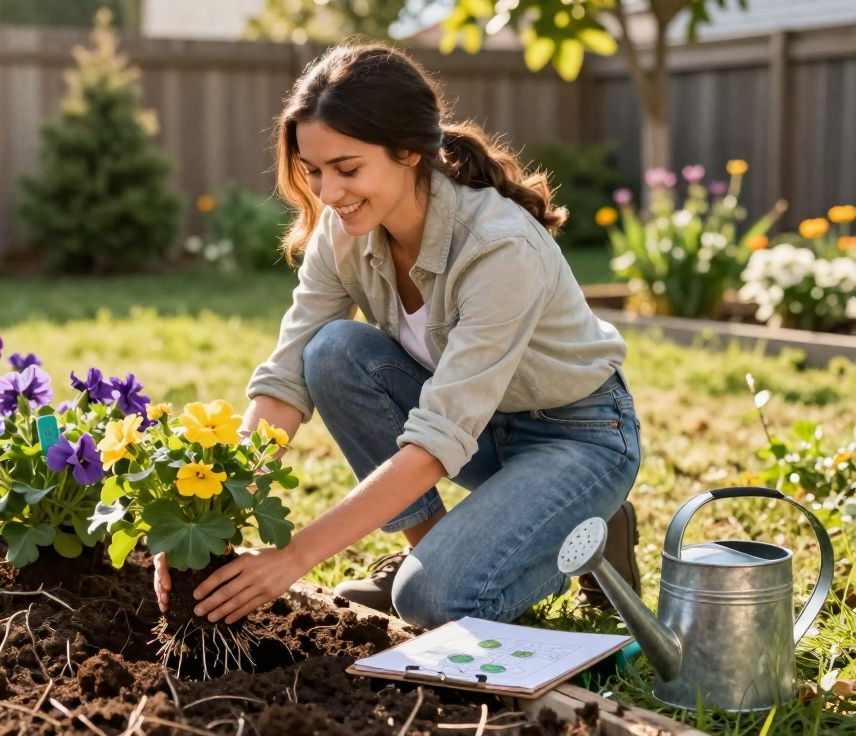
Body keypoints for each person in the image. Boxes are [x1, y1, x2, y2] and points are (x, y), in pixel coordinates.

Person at [153, 43, 642, 628]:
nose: (328, 194)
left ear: (409, 150)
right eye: (314, 172)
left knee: (434, 602)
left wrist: (294, 557)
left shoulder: (500, 248)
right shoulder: (343, 232)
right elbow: (285, 379)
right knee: (332, 352)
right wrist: (213, 513)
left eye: (348, 168)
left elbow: (437, 440)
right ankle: (429, 548)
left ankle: (590, 535)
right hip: (484, 431)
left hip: (577, 436)